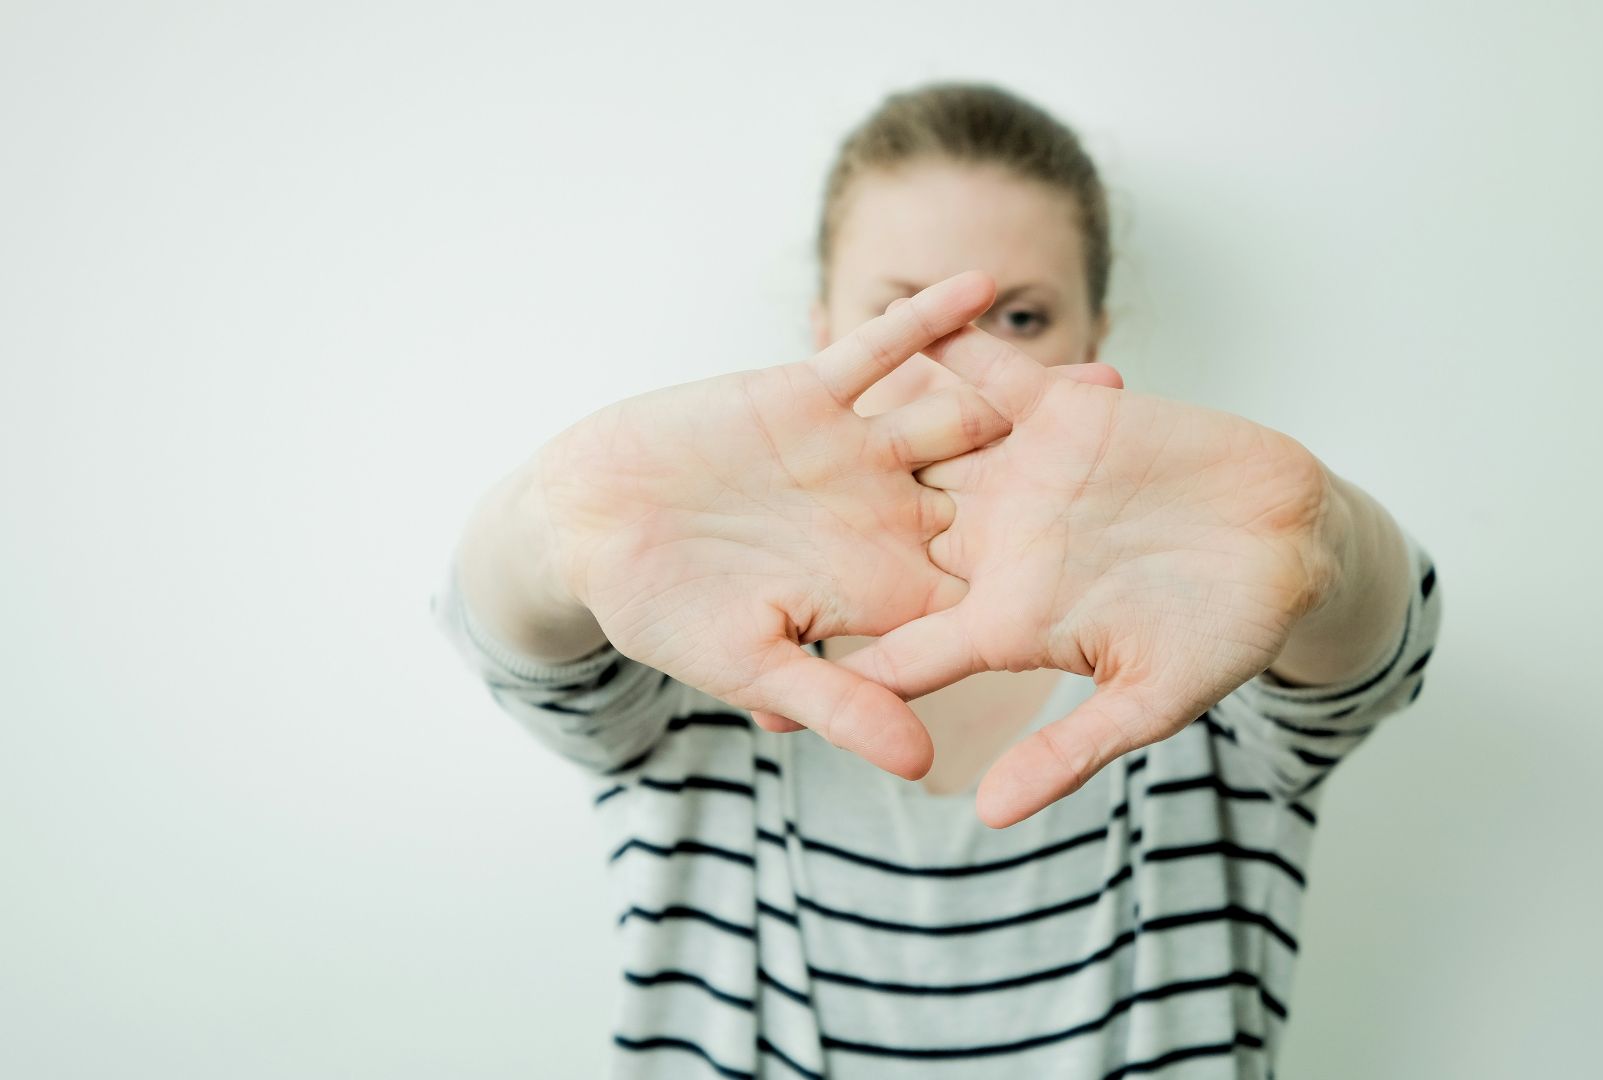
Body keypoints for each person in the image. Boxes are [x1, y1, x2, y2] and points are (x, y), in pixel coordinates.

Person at [432, 81, 1443, 1080]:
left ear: (1093, 338)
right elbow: (514, 641)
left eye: (1021, 317)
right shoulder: (698, 634)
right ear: (822, 324)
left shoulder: (1195, 637)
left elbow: (1377, 648)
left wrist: (1319, 539)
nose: (951, 366)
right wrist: (560, 525)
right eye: (900, 312)